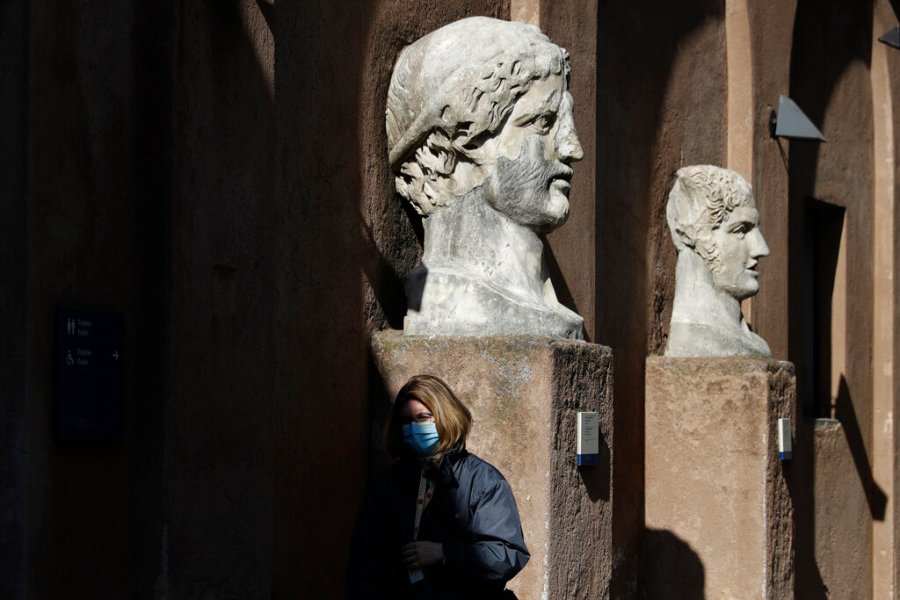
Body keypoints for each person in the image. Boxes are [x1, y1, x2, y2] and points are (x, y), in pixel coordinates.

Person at [386, 17, 585, 339]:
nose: (572, 148)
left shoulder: (552, 309)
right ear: (463, 140)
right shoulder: (448, 301)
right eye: (543, 122)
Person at [347, 374, 529, 599]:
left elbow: (507, 555)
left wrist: (444, 554)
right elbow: (363, 566)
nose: (414, 427)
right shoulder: (386, 485)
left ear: (445, 417)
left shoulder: (483, 481)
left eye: (423, 418)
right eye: (407, 421)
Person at [664, 165, 772, 357]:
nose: (761, 249)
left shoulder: (754, 344)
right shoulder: (695, 340)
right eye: (740, 230)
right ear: (689, 234)